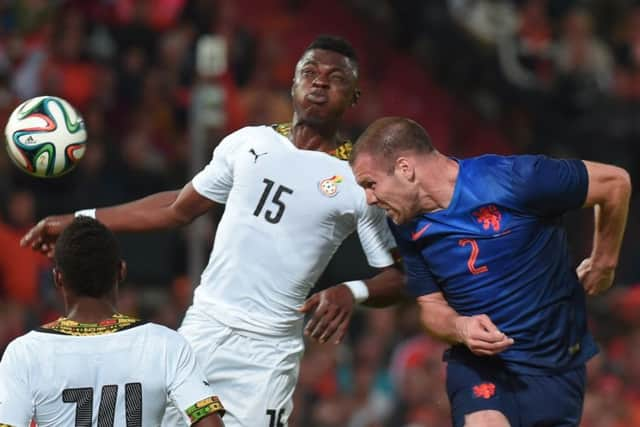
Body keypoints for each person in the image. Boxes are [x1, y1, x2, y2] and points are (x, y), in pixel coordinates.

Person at [20, 36, 406, 427]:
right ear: (292, 84)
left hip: (266, 355)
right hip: (203, 329)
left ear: (354, 96)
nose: (319, 83)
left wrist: (351, 291)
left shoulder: (358, 180)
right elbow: (176, 207)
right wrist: (80, 218)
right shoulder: (247, 143)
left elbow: (399, 277)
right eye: (309, 72)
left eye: (335, 77)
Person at [349, 117, 631, 427]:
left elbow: (615, 184)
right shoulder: (405, 226)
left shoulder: (514, 179)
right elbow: (430, 309)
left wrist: (604, 262)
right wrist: (460, 328)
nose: (369, 199)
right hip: (481, 365)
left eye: (370, 184)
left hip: (557, 366)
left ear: (405, 168)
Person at [0, 217, 225, 427]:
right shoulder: (166, 345)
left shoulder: (25, 353)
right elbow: (208, 422)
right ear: (121, 271)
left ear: (58, 277)